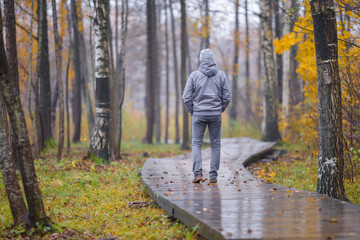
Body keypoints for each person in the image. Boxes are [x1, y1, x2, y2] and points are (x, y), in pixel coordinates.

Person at [182, 48, 231, 184]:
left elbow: (186, 97)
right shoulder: (221, 75)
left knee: (196, 144)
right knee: (215, 144)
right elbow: (227, 96)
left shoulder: (194, 76)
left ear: (201, 60)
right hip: (215, 114)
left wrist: (192, 111)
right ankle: (213, 176)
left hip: (198, 114)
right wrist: (220, 109)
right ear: (212, 60)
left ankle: (198, 173)